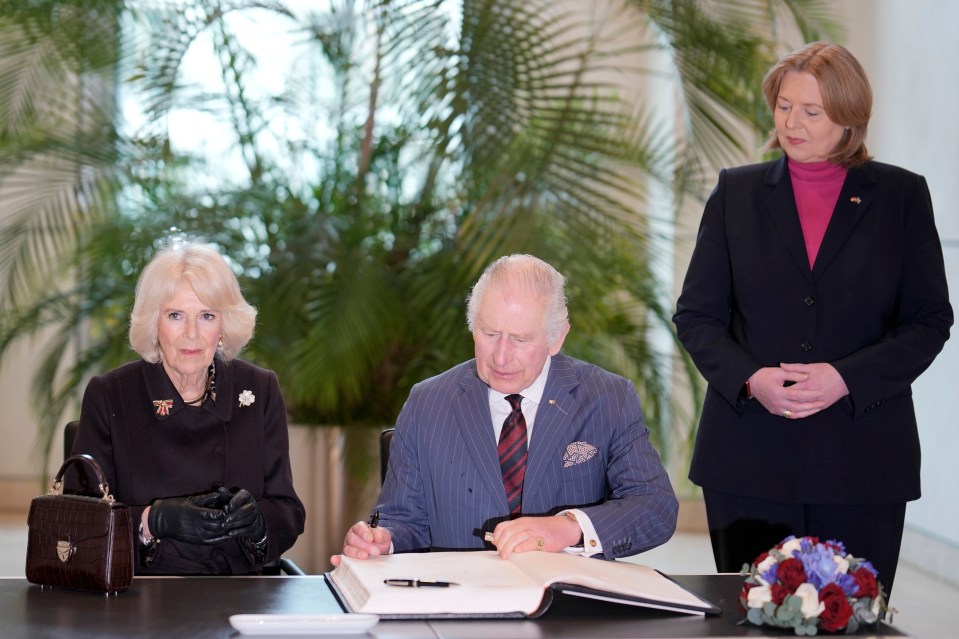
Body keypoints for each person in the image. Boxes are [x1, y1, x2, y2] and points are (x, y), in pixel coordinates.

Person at [673, 42, 952, 597]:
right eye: (783, 105)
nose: (791, 123)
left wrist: (846, 377)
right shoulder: (737, 193)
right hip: (750, 458)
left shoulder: (902, 196)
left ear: (849, 117)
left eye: (811, 111)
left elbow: (928, 320)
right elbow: (697, 316)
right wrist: (752, 379)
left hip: (863, 458)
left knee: (851, 620)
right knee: (749, 622)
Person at [331, 254, 678, 566]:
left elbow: (655, 507)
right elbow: (403, 520)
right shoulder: (427, 402)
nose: (500, 357)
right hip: (459, 608)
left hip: (568, 614)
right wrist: (382, 541)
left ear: (556, 338)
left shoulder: (607, 397)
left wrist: (567, 527)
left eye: (521, 340)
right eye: (490, 334)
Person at [67, 242, 305, 575]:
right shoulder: (111, 395)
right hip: (143, 594)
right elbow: (78, 523)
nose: (192, 334)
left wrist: (258, 522)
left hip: (238, 592)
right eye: (175, 315)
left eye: (206, 316)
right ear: (154, 324)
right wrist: (151, 521)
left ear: (223, 327)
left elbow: (288, 511)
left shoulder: (259, 390)